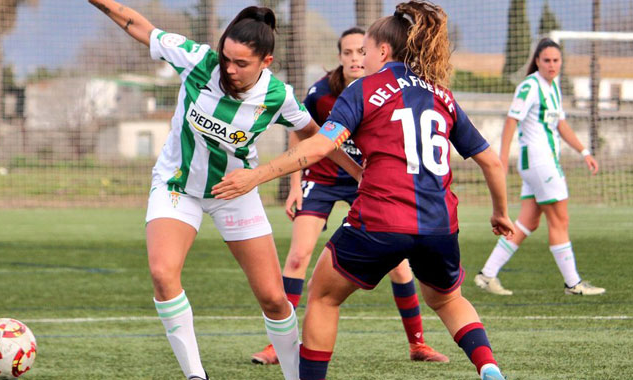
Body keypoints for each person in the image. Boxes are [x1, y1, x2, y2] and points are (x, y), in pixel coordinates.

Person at [212, 2, 515, 379]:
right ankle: (488, 365)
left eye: (366, 49)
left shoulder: (363, 90)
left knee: (323, 296)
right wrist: (500, 213)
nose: (361, 58)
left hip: (381, 219)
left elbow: (320, 146)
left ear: (383, 51)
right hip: (439, 224)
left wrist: (257, 175)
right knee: (448, 298)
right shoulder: (442, 94)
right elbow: (492, 162)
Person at [89, 1, 359, 379]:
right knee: (163, 274)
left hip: (236, 193)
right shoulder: (198, 60)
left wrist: (361, 175)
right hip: (176, 186)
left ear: (266, 61)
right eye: (226, 58)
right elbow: (137, 24)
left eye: (241, 63)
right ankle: (195, 375)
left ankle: (296, 376)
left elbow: (315, 136)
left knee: (273, 298)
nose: (229, 69)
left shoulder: (278, 95)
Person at [250, 27, 448, 366]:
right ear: (339, 57)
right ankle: (277, 345)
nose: (355, 58)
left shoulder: (386, 88)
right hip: (324, 178)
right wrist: (295, 186)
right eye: (348, 53)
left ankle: (418, 343)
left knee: (399, 267)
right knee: (298, 256)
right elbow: (302, 133)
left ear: (375, 52)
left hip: (367, 182)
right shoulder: (322, 92)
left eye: (360, 51)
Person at [474, 38, 604, 296]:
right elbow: (512, 120)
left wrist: (584, 151)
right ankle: (573, 283)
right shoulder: (530, 86)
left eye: (556, 60)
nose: (552, 65)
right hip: (539, 162)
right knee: (560, 219)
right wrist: (501, 157)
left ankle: (487, 275)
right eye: (547, 60)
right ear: (537, 61)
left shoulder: (552, 87)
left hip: (540, 163)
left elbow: (561, 125)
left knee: (528, 222)